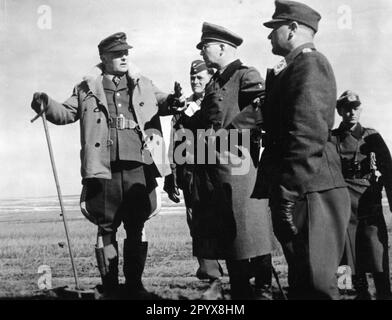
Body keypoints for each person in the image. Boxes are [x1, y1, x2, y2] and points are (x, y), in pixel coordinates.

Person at [30, 32, 185, 299]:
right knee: (107, 229)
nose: (124, 57)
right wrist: (45, 103)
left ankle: (135, 285)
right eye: (117, 54)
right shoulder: (86, 88)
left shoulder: (144, 84)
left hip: (139, 166)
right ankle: (111, 286)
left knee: (137, 227)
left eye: (126, 53)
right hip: (104, 171)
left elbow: (164, 102)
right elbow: (66, 113)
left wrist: (174, 100)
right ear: (103, 58)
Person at [252, 0, 351, 299]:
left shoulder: (310, 64)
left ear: (293, 28)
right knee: (303, 282)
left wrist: (287, 191)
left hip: (310, 190)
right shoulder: (291, 68)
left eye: (274, 29)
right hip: (300, 190)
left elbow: (308, 134)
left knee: (318, 286)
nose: (269, 36)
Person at [178, 22, 273, 300]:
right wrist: (185, 115)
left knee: (249, 231)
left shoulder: (245, 75)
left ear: (222, 47)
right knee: (228, 236)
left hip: (238, 168)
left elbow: (263, 107)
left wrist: (231, 131)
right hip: (213, 172)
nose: (203, 51)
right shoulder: (214, 82)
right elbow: (206, 122)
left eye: (205, 46)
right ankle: (241, 293)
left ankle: (263, 290)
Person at [163, 60, 225, 295]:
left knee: (226, 220)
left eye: (200, 78)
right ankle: (212, 277)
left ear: (210, 77)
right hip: (191, 172)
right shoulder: (183, 107)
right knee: (198, 223)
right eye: (193, 78)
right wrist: (172, 175)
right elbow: (174, 141)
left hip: (219, 170)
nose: (195, 82)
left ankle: (242, 273)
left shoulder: (219, 101)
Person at [332, 90, 392, 300]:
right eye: (347, 108)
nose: (352, 113)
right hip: (342, 206)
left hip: (369, 203)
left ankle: (384, 295)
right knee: (346, 259)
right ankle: (352, 295)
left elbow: (389, 170)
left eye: (355, 108)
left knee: (378, 256)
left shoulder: (371, 136)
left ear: (361, 109)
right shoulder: (331, 138)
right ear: (339, 110)